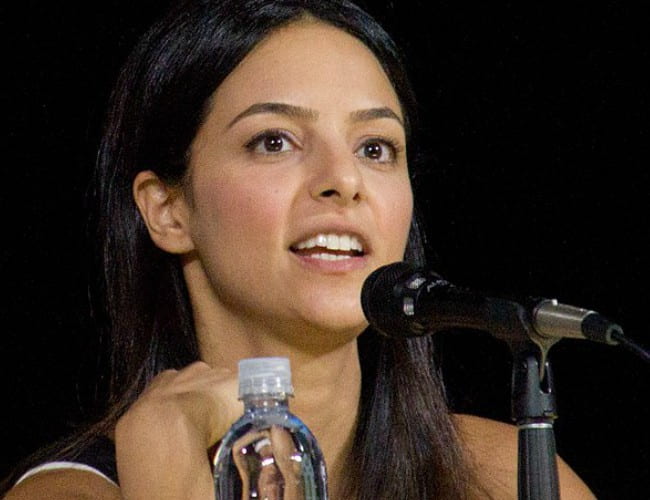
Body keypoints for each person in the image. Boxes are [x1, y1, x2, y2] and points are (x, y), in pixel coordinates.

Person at [3, 0, 595, 498]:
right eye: (275, 141)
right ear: (168, 210)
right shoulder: (75, 491)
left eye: (375, 148)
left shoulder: (502, 475)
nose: (344, 180)